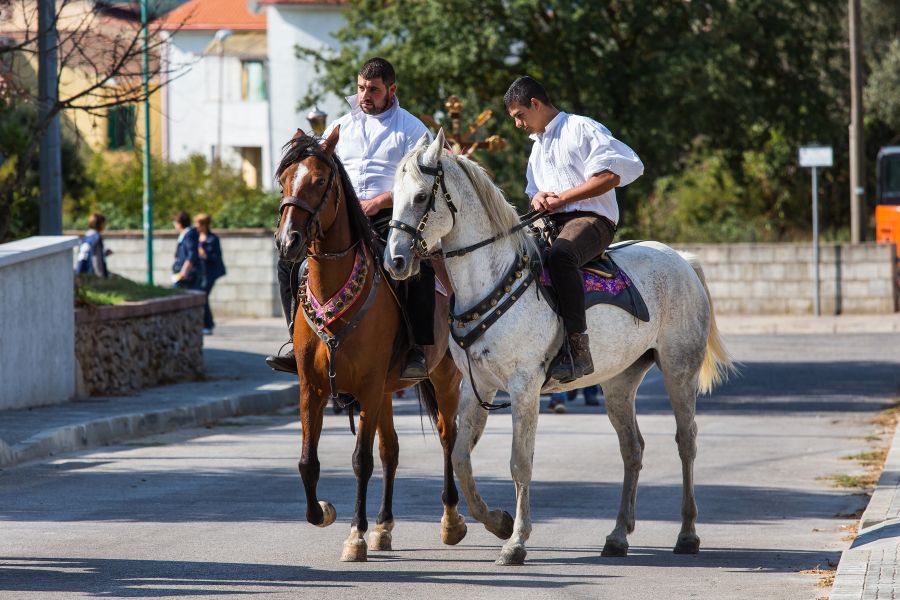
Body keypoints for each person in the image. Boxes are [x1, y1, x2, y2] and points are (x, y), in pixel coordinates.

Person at [267, 57, 434, 380]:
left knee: (418, 266)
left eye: (373, 89)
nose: (364, 96)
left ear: (391, 90)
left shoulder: (412, 129)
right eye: (360, 88)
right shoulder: (339, 127)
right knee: (289, 261)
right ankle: (296, 340)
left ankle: (416, 348)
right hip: (340, 217)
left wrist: (380, 201)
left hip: (390, 216)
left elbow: (422, 183)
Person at [504, 76, 644, 384]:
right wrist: (537, 197)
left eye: (519, 116)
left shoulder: (582, 128)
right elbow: (534, 191)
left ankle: (578, 350)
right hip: (552, 222)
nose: (518, 124)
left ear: (535, 104)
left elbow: (610, 176)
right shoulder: (537, 147)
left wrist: (563, 198)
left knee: (561, 257)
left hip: (593, 220)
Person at [195, 212, 226, 335]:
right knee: (202, 297)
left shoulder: (213, 239)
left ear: (203, 225)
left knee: (203, 296)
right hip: (199, 273)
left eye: (197, 223)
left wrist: (205, 254)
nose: (196, 226)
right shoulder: (196, 237)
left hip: (210, 273)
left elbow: (216, 257)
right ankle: (208, 323)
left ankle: (208, 324)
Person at [74, 212, 111, 278]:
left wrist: (104, 253)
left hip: (81, 269)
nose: (104, 226)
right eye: (103, 223)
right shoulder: (96, 237)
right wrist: (100, 276)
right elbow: (96, 257)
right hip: (92, 271)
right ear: (99, 224)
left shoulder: (86, 236)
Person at [171, 211, 201, 290]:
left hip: (186, 273)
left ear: (180, 223)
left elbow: (192, 253)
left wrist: (185, 270)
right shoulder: (185, 234)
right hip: (181, 270)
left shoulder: (189, 235)